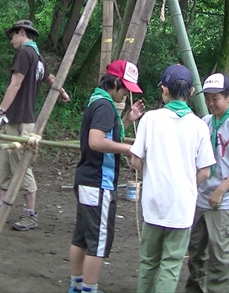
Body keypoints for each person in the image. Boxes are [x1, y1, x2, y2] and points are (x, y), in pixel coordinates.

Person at [0, 19, 70, 231]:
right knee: (5, 166)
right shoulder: (37, 56)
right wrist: (62, 91)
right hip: (15, 121)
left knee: (21, 167)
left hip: (20, 122)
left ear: (21, 32)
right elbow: (49, 78)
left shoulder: (25, 54)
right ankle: (1, 206)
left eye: (12, 37)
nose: (11, 42)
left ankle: (30, 213)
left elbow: (15, 84)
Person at [130, 64, 215, 293]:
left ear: (164, 90)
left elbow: (135, 161)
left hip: (154, 202)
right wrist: (187, 184)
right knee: (171, 263)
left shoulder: (150, 119)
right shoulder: (200, 126)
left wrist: (151, 171)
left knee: (148, 261)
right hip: (182, 206)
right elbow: (205, 171)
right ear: (191, 93)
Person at [68, 59, 145, 293]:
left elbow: (107, 134)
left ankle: (77, 286)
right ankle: (89, 289)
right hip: (98, 182)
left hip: (87, 179)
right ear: (114, 83)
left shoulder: (98, 101)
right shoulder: (104, 106)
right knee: (98, 241)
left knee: (82, 236)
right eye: (125, 90)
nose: (125, 95)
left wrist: (128, 120)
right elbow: (97, 141)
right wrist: (130, 149)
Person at [185, 72, 229, 293]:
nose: (211, 103)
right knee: (195, 251)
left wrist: (221, 190)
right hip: (202, 196)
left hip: (226, 199)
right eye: (208, 98)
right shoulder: (205, 122)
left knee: (220, 256)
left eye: (216, 98)